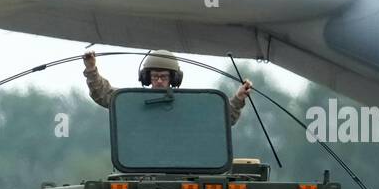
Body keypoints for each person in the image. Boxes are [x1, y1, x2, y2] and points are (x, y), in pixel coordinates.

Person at [83, 49, 253, 126]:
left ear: (173, 78)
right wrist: (91, 69)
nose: (158, 81)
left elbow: (224, 118)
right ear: (146, 78)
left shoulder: (188, 103)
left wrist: (238, 99)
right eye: (154, 76)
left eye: (163, 77)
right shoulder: (133, 100)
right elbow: (102, 94)